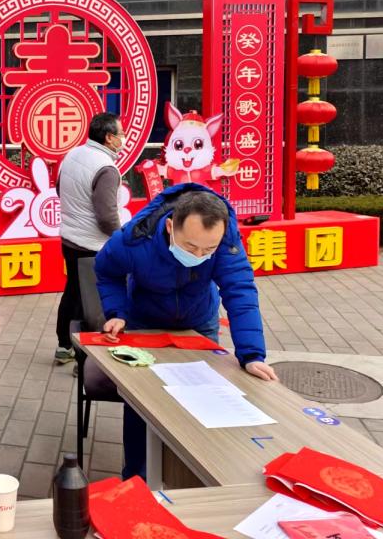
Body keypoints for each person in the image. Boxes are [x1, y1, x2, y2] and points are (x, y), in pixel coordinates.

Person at [95, 183, 277, 479]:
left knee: (203, 396)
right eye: (191, 247)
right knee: (142, 400)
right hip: (145, 322)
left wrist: (252, 354)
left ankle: (195, 474)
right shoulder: (136, 238)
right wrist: (117, 312)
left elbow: (240, 291)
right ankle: (137, 476)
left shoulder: (226, 239)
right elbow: (106, 271)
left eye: (208, 249)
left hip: (199, 321)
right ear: (170, 226)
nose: (200, 254)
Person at [53, 112, 124, 365]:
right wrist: (121, 238)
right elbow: (107, 216)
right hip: (93, 245)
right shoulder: (106, 168)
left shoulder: (73, 154)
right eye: (121, 134)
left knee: (73, 291)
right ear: (109, 137)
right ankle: (85, 358)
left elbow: (59, 189)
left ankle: (64, 345)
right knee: (91, 302)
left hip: (69, 238)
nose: (123, 138)